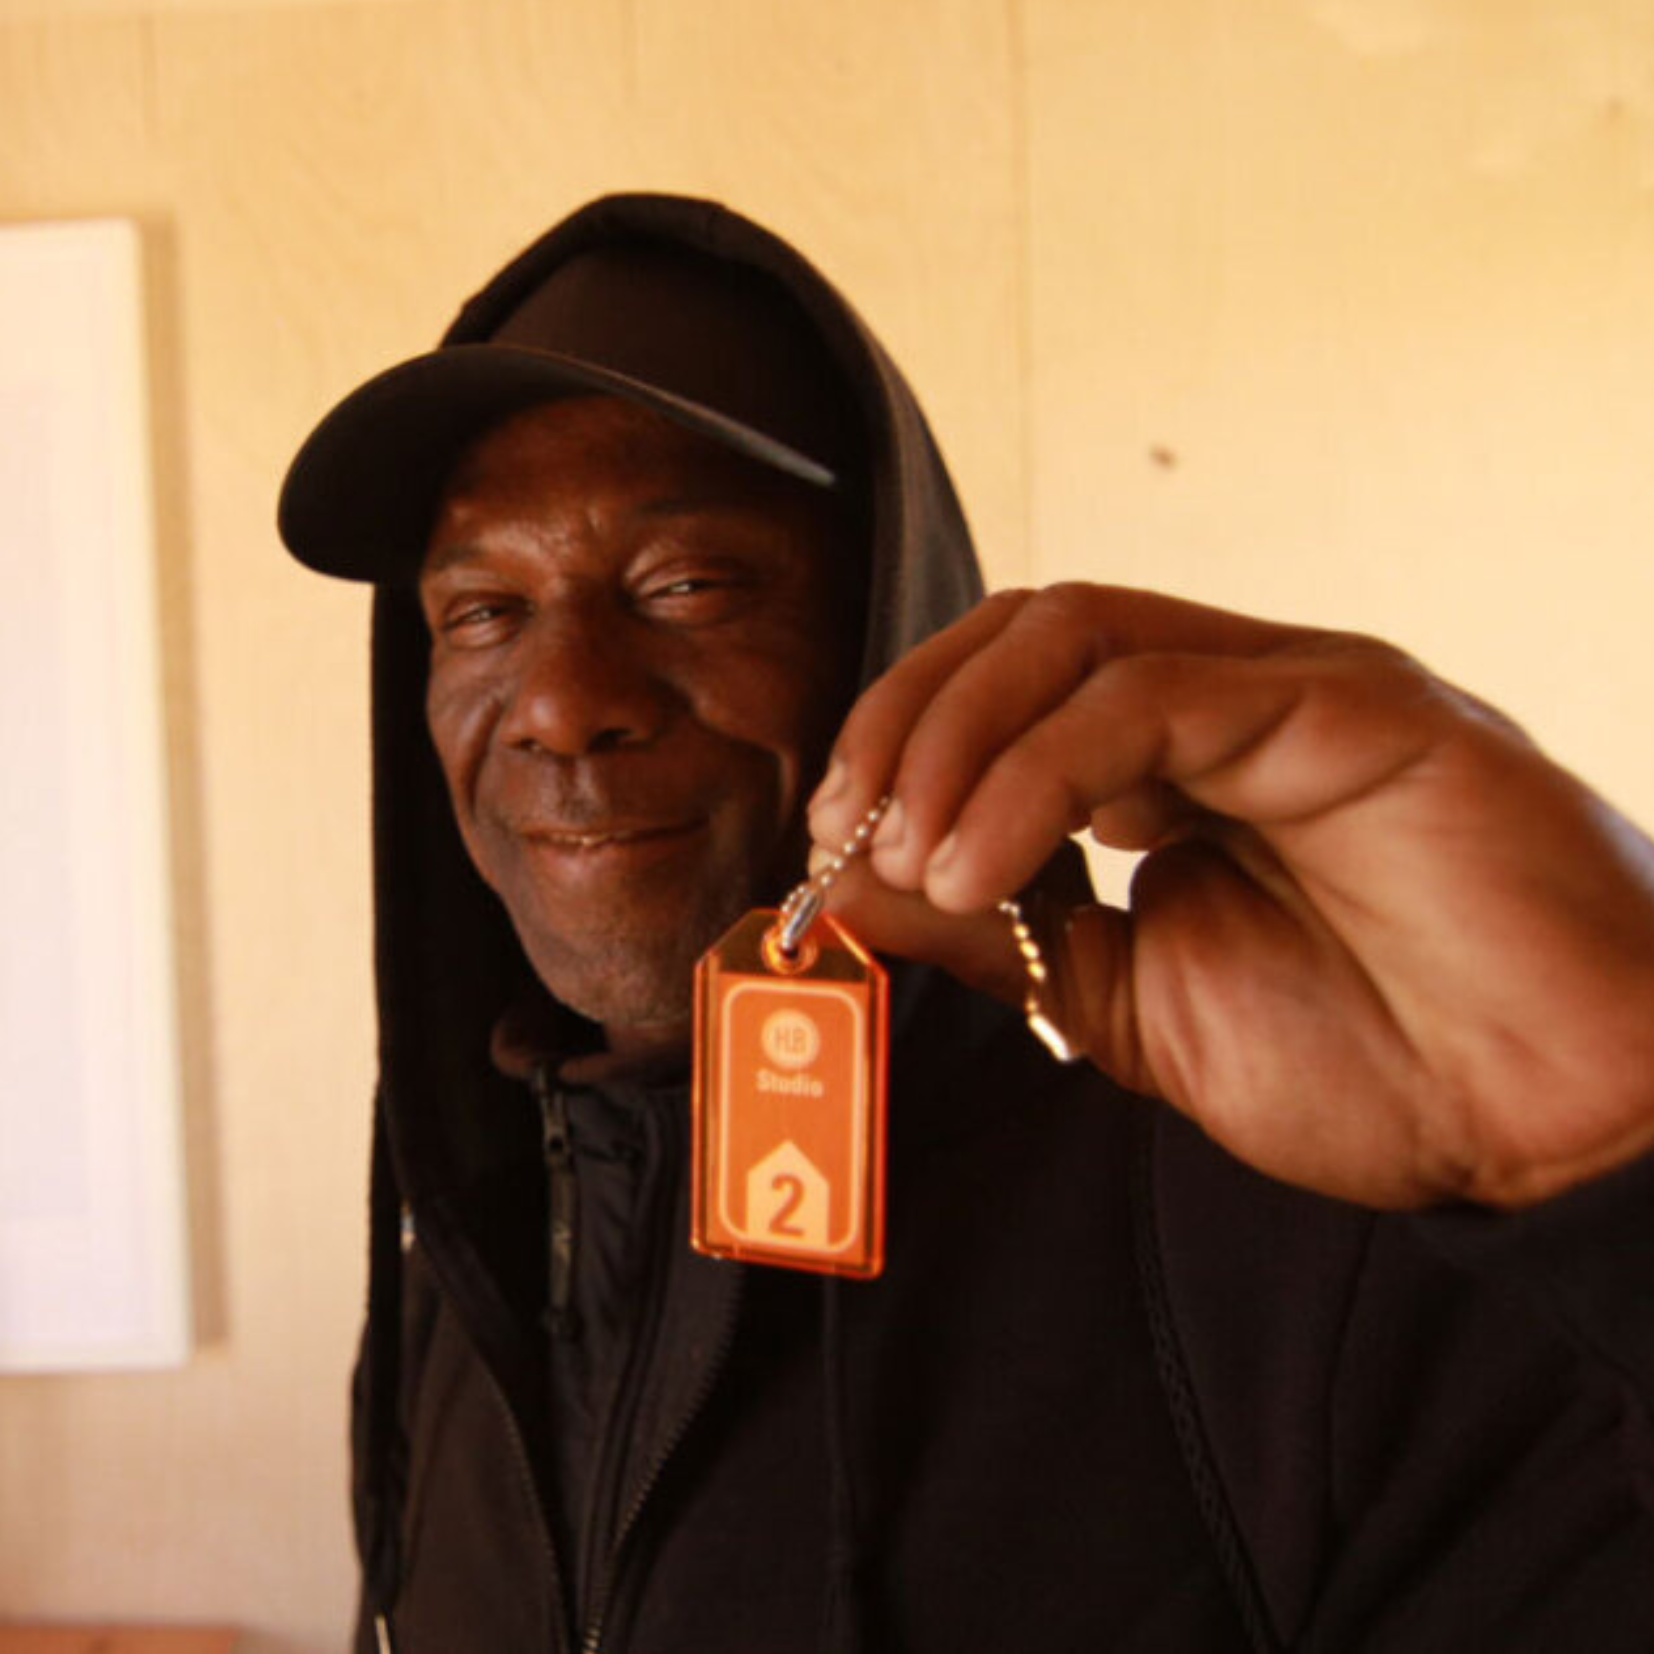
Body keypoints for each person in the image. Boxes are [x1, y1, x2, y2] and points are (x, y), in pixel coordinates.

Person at [278, 193, 1654, 1653]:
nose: (559, 702)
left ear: (886, 630)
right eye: (482, 611)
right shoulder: (461, 1278)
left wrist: (1615, 1153)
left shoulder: (1288, 1235)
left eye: (687, 585)